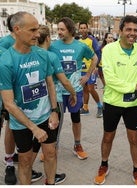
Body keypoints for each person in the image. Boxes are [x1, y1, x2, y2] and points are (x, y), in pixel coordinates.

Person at [0, 11, 59, 185]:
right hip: (23, 123)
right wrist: (33, 128)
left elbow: (50, 84)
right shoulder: (5, 62)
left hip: (45, 116)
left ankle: (51, 182)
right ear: (17, 29)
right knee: (25, 161)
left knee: (51, 153)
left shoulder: (42, 55)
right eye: (32, 30)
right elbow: (9, 104)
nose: (38, 34)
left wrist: (54, 111)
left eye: (38, 29)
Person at [93, 15, 137, 185]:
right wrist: (135, 86)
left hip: (132, 104)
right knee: (108, 137)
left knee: (134, 139)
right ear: (121, 31)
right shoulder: (109, 50)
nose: (132, 33)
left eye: (135, 30)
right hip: (112, 103)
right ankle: (104, 164)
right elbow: (110, 80)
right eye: (128, 29)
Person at [49, 17, 98, 160]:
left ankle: (77, 145)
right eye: (58, 29)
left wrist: (87, 75)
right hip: (57, 91)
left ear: (70, 30)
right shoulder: (53, 46)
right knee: (55, 119)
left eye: (62, 29)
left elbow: (95, 58)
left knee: (76, 118)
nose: (59, 32)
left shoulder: (81, 46)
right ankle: (52, 147)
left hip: (75, 90)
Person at [35, 24, 78, 184]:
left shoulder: (32, 54)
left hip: (37, 103)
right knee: (53, 138)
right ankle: (51, 176)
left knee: (36, 140)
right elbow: (64, 81)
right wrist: (73, 93)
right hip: (55, 101)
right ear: (47, 39)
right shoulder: (51, 56)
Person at [78, 22, 103, 117]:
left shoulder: (92, 40)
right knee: (84, 89)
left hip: (91, 69)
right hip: (82, 69)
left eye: (85, 28)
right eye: (81, 28)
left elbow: (98, 52)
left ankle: (100, 106)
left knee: (91, 88)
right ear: (79, 29)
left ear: (87, 29)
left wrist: (96, 66)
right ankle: (85, 108)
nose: (83, 29)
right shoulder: (79, 41)